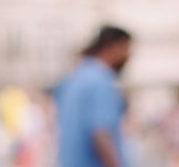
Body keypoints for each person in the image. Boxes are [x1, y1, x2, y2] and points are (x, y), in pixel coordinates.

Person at [55, 25, 133, 167]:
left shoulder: (74, 78)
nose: (128, 56)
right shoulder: (100, 81)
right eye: (126, 49)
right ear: (112, 46)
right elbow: (100, 134)